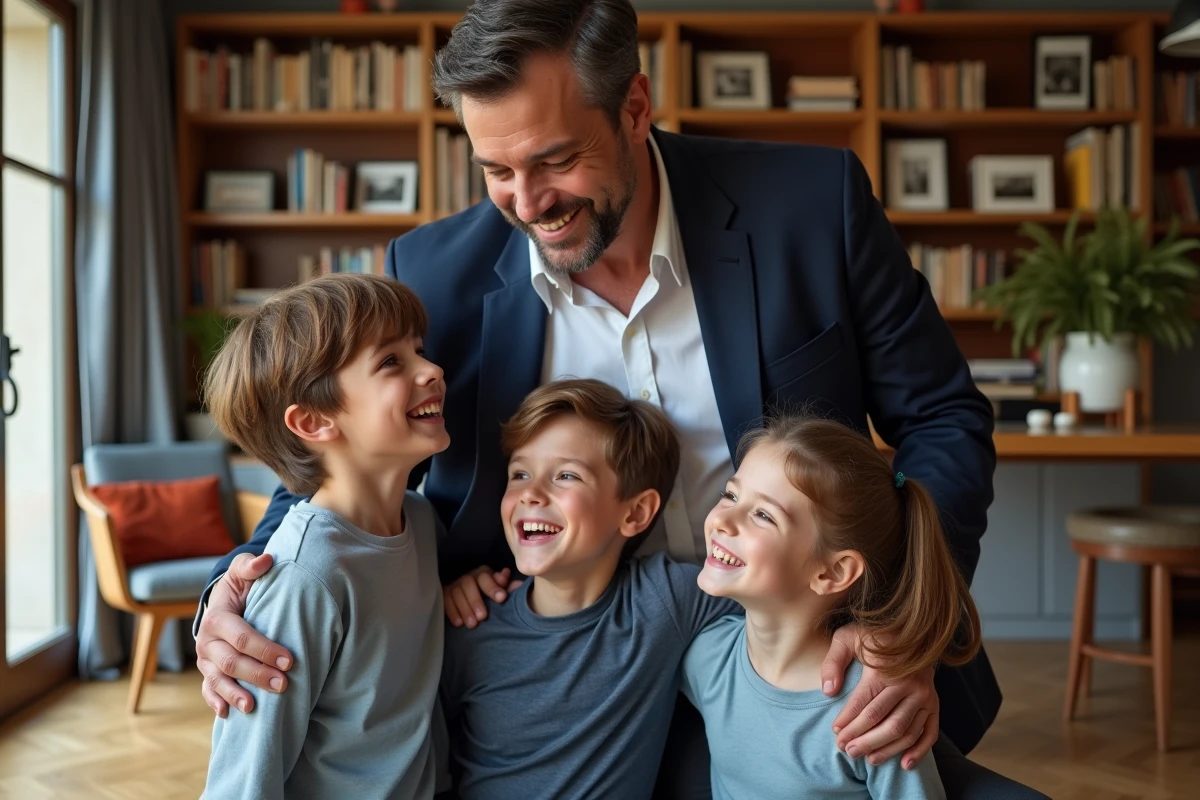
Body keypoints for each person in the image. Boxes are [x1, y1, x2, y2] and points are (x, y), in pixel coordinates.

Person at [193, 1, 1028, 796]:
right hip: (546, 701)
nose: (528, 203)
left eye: (557, 160)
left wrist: (903, 631)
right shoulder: (434, 275)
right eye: (496, 170)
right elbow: (337, 457)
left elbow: (943, 418)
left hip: (799, 676)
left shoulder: (813, 207)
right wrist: (236, 590)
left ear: (634, 108)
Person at [198, 273, 451, 800]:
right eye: (391, 362)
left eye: (420, 351)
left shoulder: (422, 525)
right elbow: (242, 783)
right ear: (313, 423)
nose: (433, 370)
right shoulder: (305, 577)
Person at [440, 377, 739, 798]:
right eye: (520, 473)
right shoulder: (469, 627)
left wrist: (862, 632)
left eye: (565, 476)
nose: (531, 494)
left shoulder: (665, 599)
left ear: (636, 512)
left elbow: (783, 601)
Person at [682, 413, 984, 799]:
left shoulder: (872, 715)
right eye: (731, 494)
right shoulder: (706, 659)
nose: (724, 520)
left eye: (763, 515)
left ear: (834, 572)